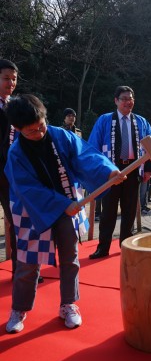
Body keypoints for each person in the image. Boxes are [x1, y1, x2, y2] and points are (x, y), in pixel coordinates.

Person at [4, 94, 124, 333]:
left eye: (41, 126)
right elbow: (27, 189)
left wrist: (109, 171)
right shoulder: (16, 153)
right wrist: (60, 204)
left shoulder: (60, 135)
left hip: (69, 202)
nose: (39, 133)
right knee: (28, 262)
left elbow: (86, 156)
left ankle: (68, 304)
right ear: (17, 129)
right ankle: (19, 307)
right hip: (33, 211)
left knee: (70, 258)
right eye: (31, 131)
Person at [88, 85, 151, 259]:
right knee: (108, 212)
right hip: (111, 172)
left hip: (134, 170)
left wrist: (148, 168)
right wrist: (101, 172)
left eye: (130, 98)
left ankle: (126, 244)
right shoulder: (104, 120)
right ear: (116, 101)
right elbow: (93, 147)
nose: (128, 102)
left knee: (130, 210)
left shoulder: (141, 121)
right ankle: (103, 247)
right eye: (124, 98)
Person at [0, 59, 18, 275]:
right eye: (6, 78)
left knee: (17, 220)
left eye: (14, 79)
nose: (11, 83)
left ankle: (21, 270)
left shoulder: (16, 107)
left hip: (11, 173)